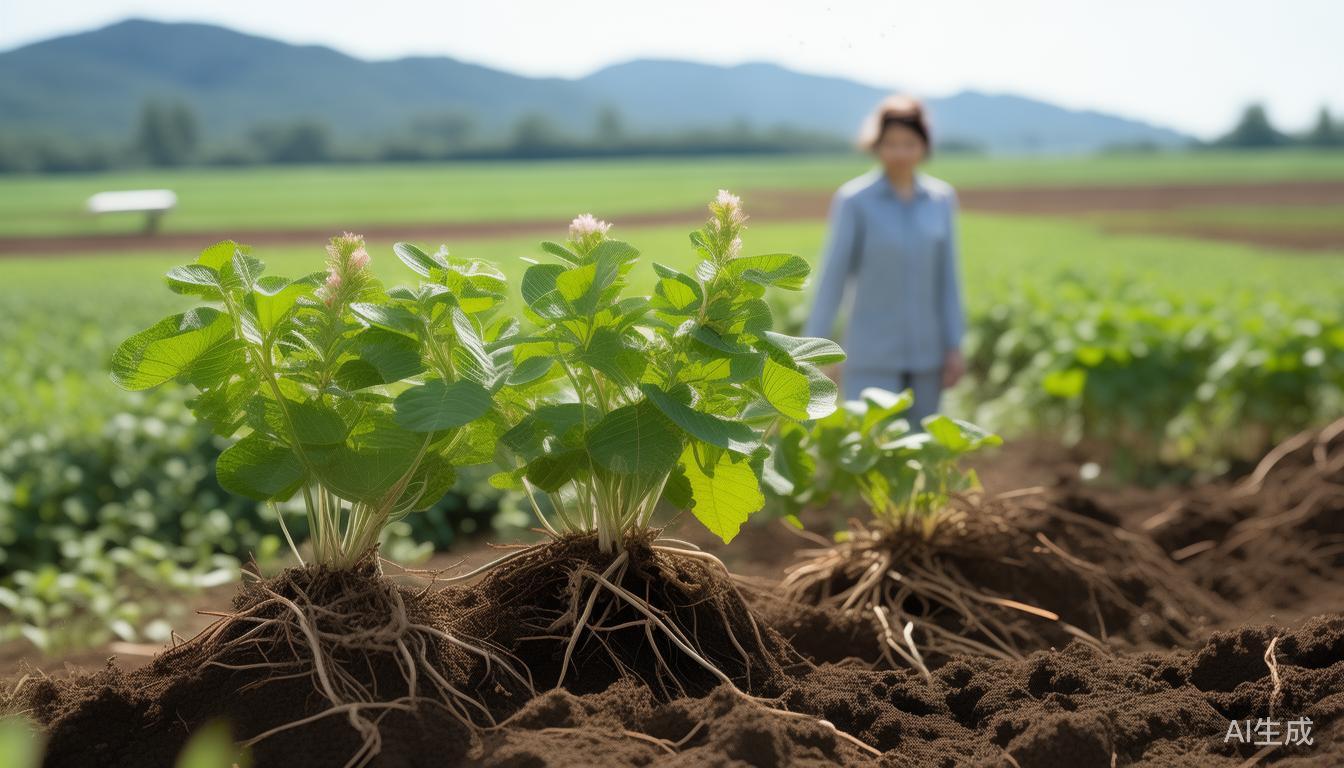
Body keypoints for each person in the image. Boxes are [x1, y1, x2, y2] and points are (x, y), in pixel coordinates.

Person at [802, 94, 966, 426]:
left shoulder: (940, 200)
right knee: (872, 454)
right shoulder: (855, 201)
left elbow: (948, 279)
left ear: (924, 146)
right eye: (891, 143)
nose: (900, 153)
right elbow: (832, 280)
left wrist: (954, 346)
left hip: (928, 357)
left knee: (921, 452)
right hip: (871, 356)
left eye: (909, 143)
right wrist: (809, 354)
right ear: (876, 146)